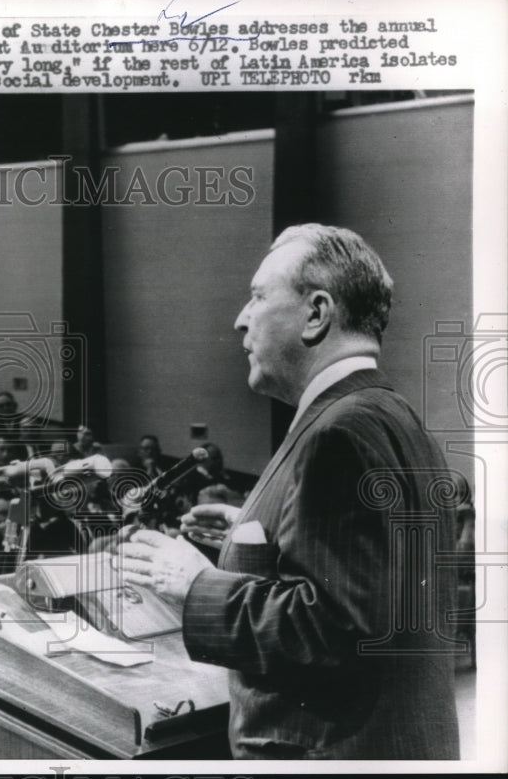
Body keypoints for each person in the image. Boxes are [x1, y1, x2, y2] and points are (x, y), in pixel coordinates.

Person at [118, 224, 460, 759]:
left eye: (257, 297)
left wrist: (194, 584)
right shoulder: (391, 415)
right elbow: (375, 581)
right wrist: (263, 532)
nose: (240, 319)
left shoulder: (337, 434)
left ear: (317, 313)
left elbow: (334, 628)